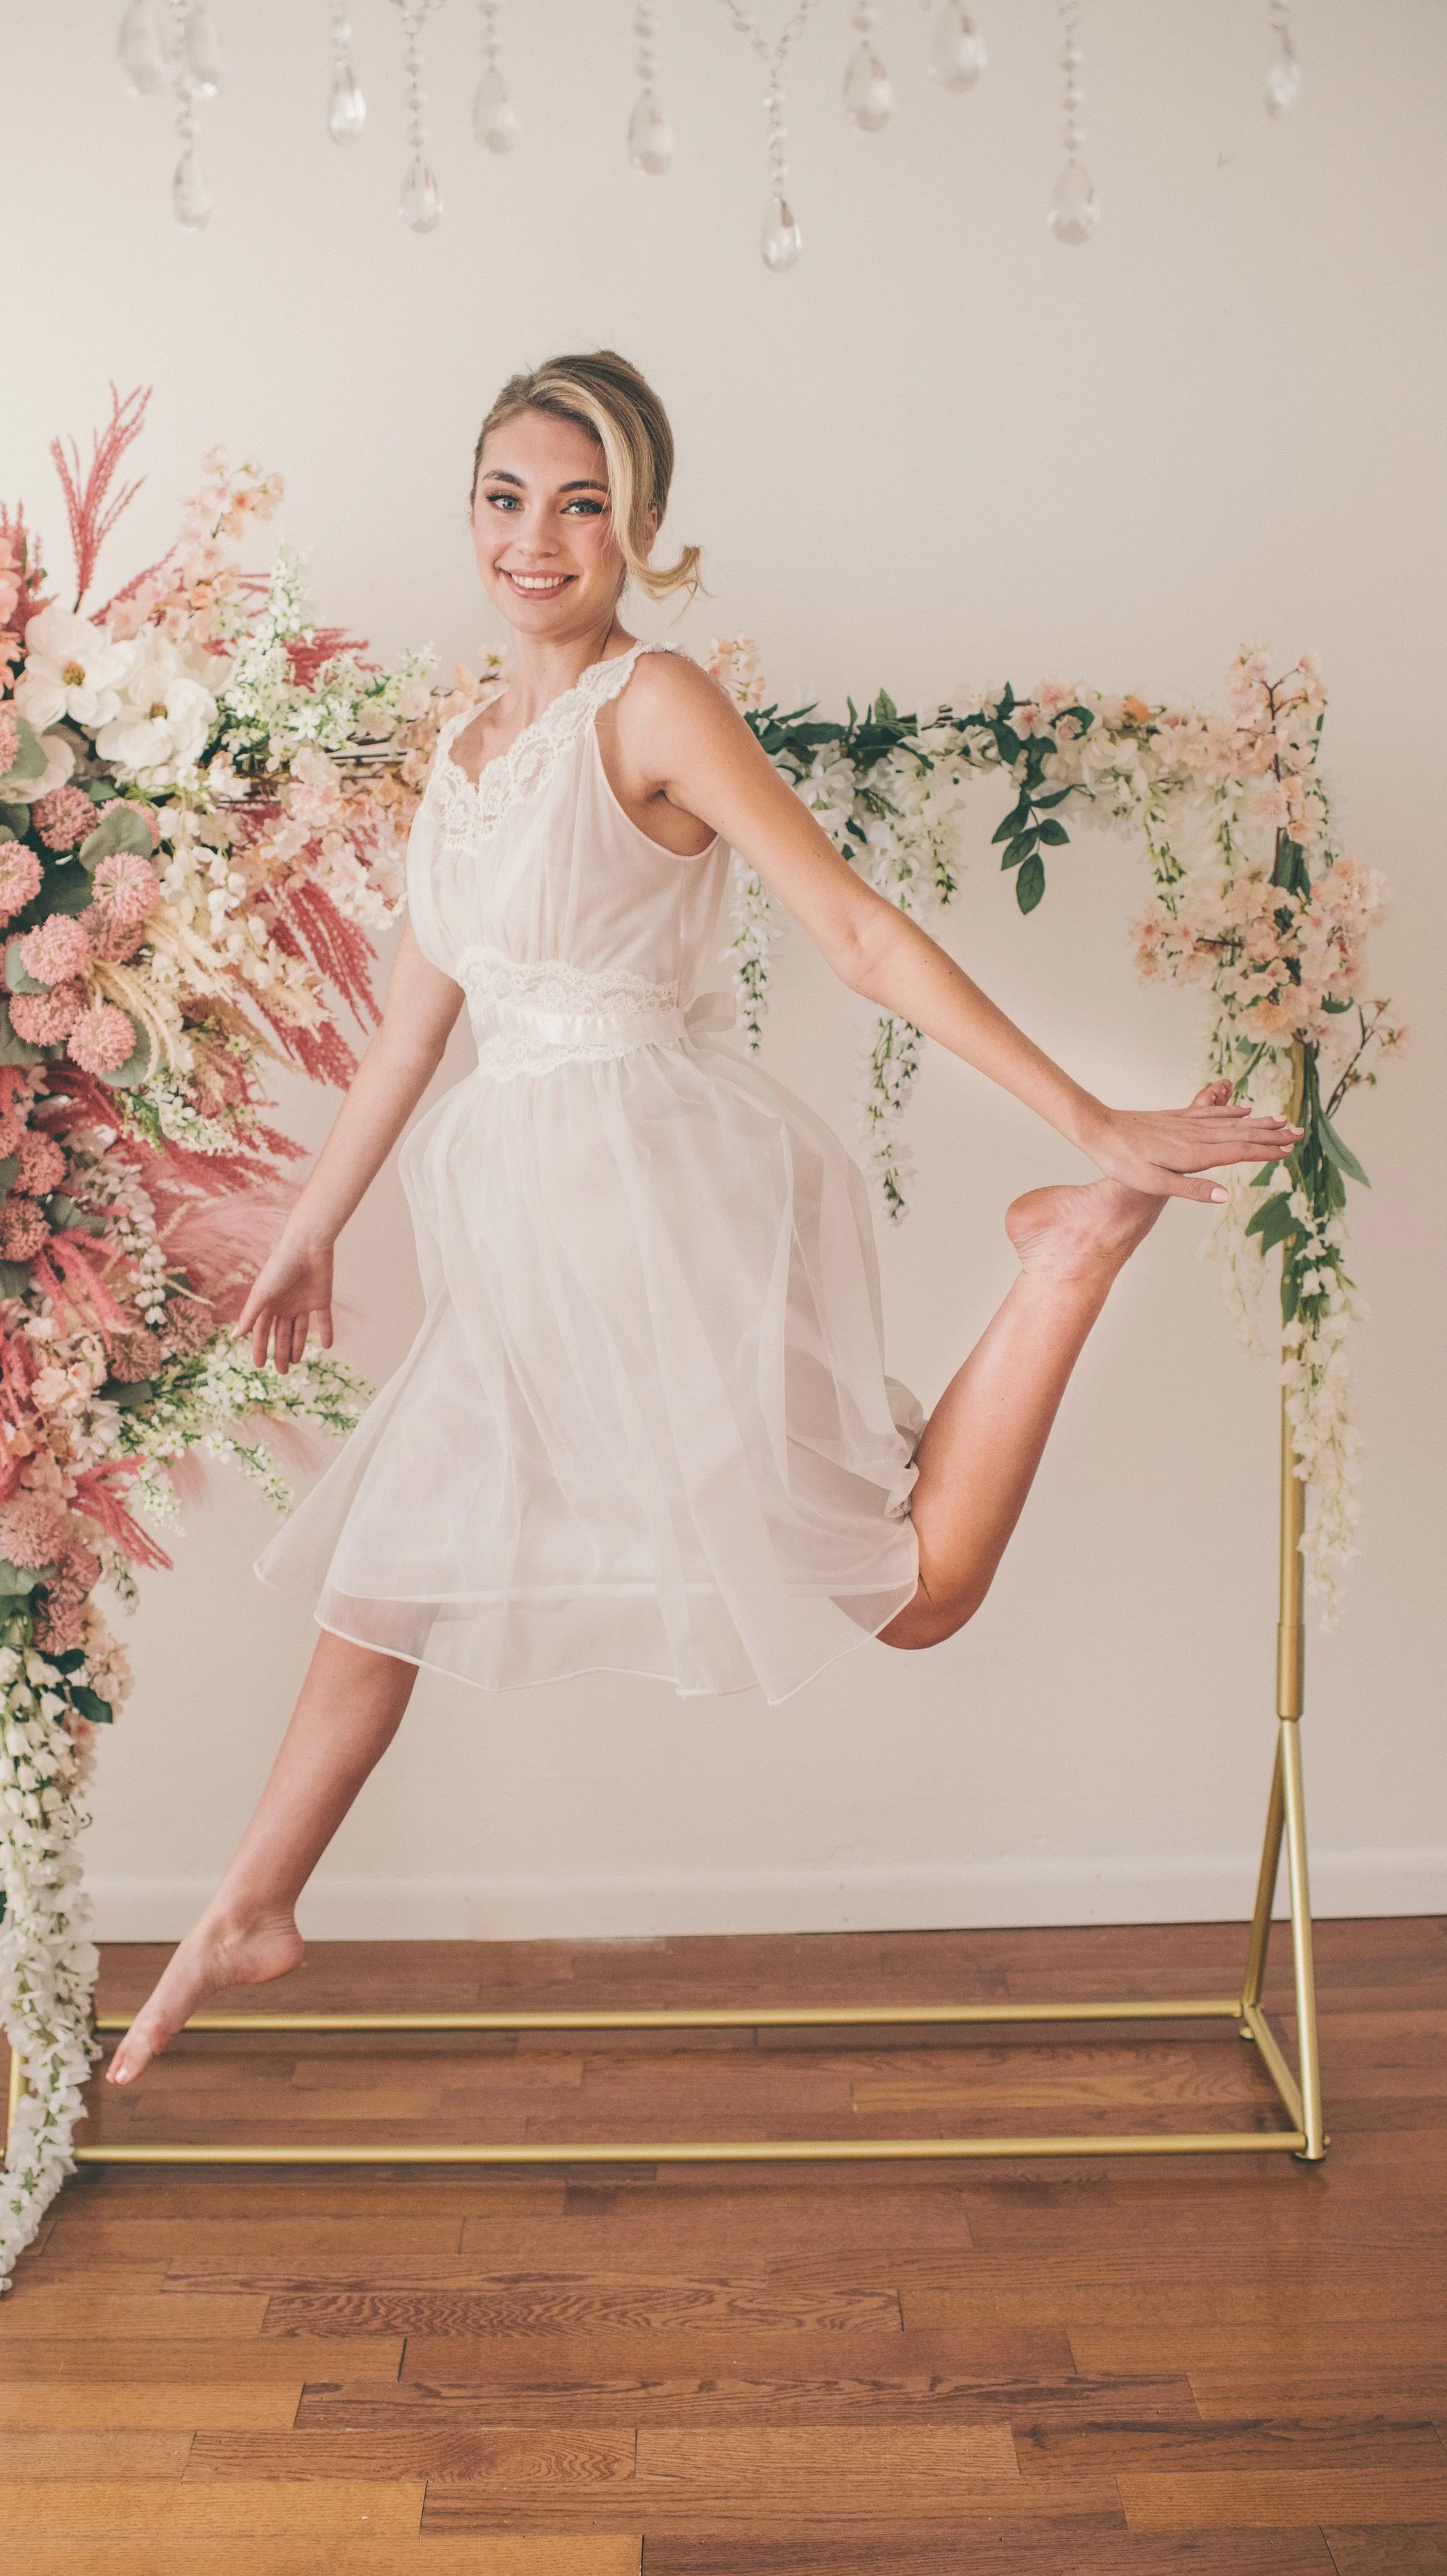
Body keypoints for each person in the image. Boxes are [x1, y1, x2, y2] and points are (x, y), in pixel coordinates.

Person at [106, 351, 1297, 2087]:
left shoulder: (652, 705)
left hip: (649, 1203)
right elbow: (412, 1035)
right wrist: (309, 1228)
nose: (537, 536)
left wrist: (1089, 1111)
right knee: (390, 1562)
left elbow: (856, 932)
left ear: (638, 531)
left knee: (909, 1589)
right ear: (469, 513)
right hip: (512, 1222)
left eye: (581, 503)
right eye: (507, 497)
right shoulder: (463, 751)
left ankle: (1065, 1243)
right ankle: (253, 1906)